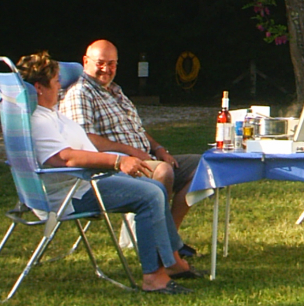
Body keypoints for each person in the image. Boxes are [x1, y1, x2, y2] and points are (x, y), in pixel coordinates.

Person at [16, 51, 203, 294]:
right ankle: (154, 276)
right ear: (39, 88)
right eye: (55, 82)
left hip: (82, 183)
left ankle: (171, 261)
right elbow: (65, 157)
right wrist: (117, 161)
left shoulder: (49, 113)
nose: (60, 85)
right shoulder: (39, 120)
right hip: (71, 194)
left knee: (155, 188)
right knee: (149, 196)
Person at [59, 39, 200, 256]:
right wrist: (131, 152)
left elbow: (137, 130)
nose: (106, 69)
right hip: (113, 166)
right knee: (162, 171)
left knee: (201, 167)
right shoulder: (80, 92)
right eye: (100, 63)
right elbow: (84, 137)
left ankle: (168, 237)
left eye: (112, 63)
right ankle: (162, 245)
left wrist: (159, 148)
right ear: (86, 61)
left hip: (144, 156)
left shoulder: (114, 91)